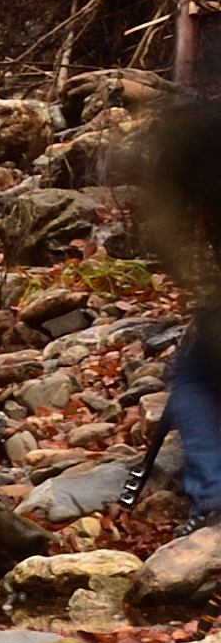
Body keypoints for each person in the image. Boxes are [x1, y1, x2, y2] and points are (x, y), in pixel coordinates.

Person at [140, 95, 221, 508]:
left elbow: (163, 222)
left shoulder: (202, 131)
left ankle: (214, 494)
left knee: (195, 378)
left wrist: (200, 285)